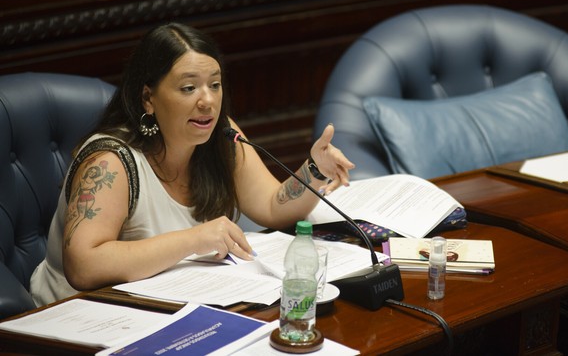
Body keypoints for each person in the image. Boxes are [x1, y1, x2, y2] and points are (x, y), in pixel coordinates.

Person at [30, 23, 355, 307]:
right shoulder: (111, 161)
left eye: (214, 84)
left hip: (168, 307)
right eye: (189, 88)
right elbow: (84, 266)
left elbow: (272, 206)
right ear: (148, 98)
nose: (208, 101)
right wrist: (195, 239)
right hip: (81, 318)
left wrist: (315, 170)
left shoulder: (220, 138)